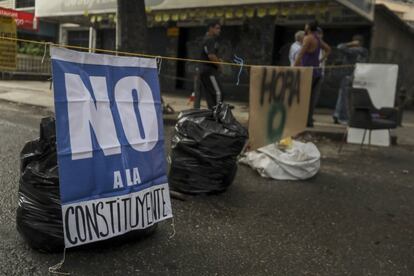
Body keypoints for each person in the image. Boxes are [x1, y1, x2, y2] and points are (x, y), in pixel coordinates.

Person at [294, 21, 331, 127]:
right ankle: (308, 121)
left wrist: (293, 68)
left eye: (306, 25)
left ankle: (301, 121)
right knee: (311, 99)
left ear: (308, 27)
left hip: (307, 72)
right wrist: (320, 60)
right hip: (316, 72)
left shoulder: (308, 38)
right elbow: (328, 49)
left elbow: (301, 54)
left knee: (303, 97)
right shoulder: (318, 39)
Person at [333, 35, 369, 124]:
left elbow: (340, 47)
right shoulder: (364, 51)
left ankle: (342, 117)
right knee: (343, 95)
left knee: (344, 96)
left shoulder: (356, 50)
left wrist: (349, 44)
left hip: (348, 75)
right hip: (354, 76)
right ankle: (337, 114)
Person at [198, 21, 224, 110]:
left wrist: (218, 59)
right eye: (217, 28)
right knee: (218, 93)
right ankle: (218, 113)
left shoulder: (205, 39)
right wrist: (220, 65)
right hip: (209, 71)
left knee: (209, 94)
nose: (219, 30)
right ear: (211, 28)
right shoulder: (210, 39)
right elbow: (211, 56)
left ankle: (212, 115)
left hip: (204, 71)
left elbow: (209, 55)